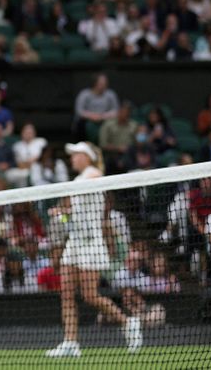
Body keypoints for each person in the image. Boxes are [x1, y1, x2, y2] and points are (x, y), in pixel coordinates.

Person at [46, 142, 141, 357]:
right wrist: (61, 213)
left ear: (86, 157)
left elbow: (96, 181)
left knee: (90, 296)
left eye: (76, 155)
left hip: (91, 243)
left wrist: (66, 195)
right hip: (74, 242)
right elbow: (73, 215)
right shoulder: (77, 179)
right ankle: (70, 343)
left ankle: (128, 322)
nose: (72, 158)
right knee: (67, 295)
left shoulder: (93, 173)